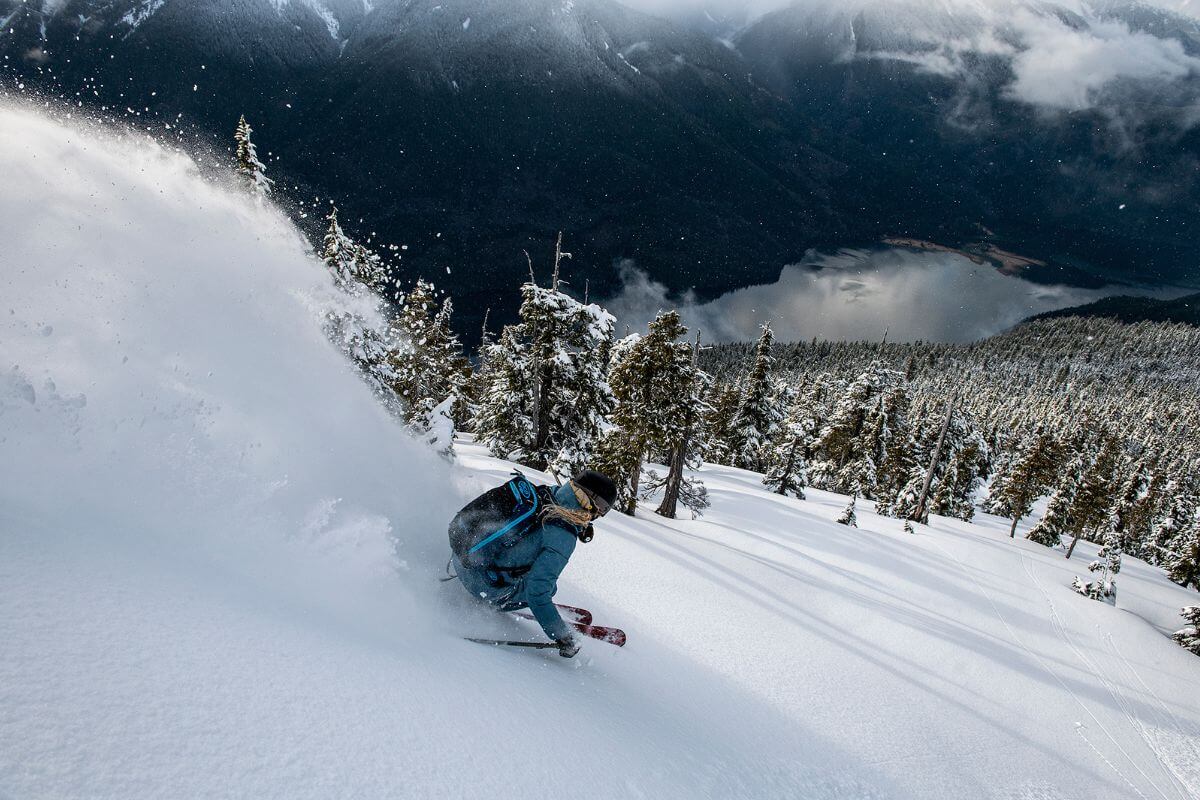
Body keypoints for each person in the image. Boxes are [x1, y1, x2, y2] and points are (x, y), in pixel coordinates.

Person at [450, 469, 617, 658]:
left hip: (460, 558)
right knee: (548, 589)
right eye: (602, 508)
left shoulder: (546, 494)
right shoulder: (563, 536)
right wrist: (564, 637)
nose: (600, 514)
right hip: (479, 585)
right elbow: (537, 594)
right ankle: (497, 601)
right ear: (589, 498)